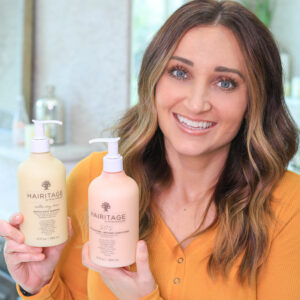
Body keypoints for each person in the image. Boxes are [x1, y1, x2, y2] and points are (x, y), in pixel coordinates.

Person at [0, 0, 299, 299]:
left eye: (225, 82)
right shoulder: (94, 180)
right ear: (152, 80)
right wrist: (40, 284)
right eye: (180, 73)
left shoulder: (289, 207)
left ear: (254, 100)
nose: (196, 104)